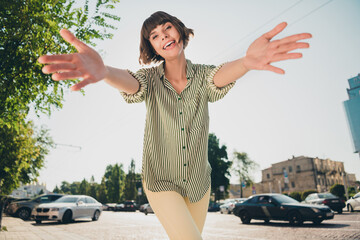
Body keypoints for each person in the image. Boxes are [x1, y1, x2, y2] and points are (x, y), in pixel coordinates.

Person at [38, 11, 311, 240]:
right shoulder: (150, 80)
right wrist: (106, 72)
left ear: (179, 32)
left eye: (167, 28)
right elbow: (133, 83)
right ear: (153, 48)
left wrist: (246, 63)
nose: (163, 36)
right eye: (155, 36)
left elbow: (219, 77)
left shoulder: (203, 76)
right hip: (161, 180)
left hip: (198, 184)